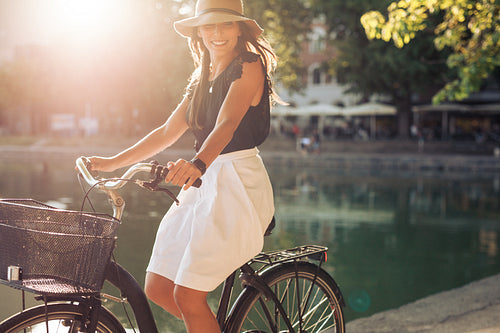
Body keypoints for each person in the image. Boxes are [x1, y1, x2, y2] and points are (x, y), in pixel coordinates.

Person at [87, 0, 277, 332]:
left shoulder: (249, 64)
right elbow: (166, 132)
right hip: (203, 182)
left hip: (237, 183)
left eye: (225, 25)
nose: (217, 34)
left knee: (188, 295)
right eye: (208, 26)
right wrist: (111, 163)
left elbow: (227, 124)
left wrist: (198, 163)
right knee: (158, 288)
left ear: (239, 28)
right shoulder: (201, 77)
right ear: (198, 31)